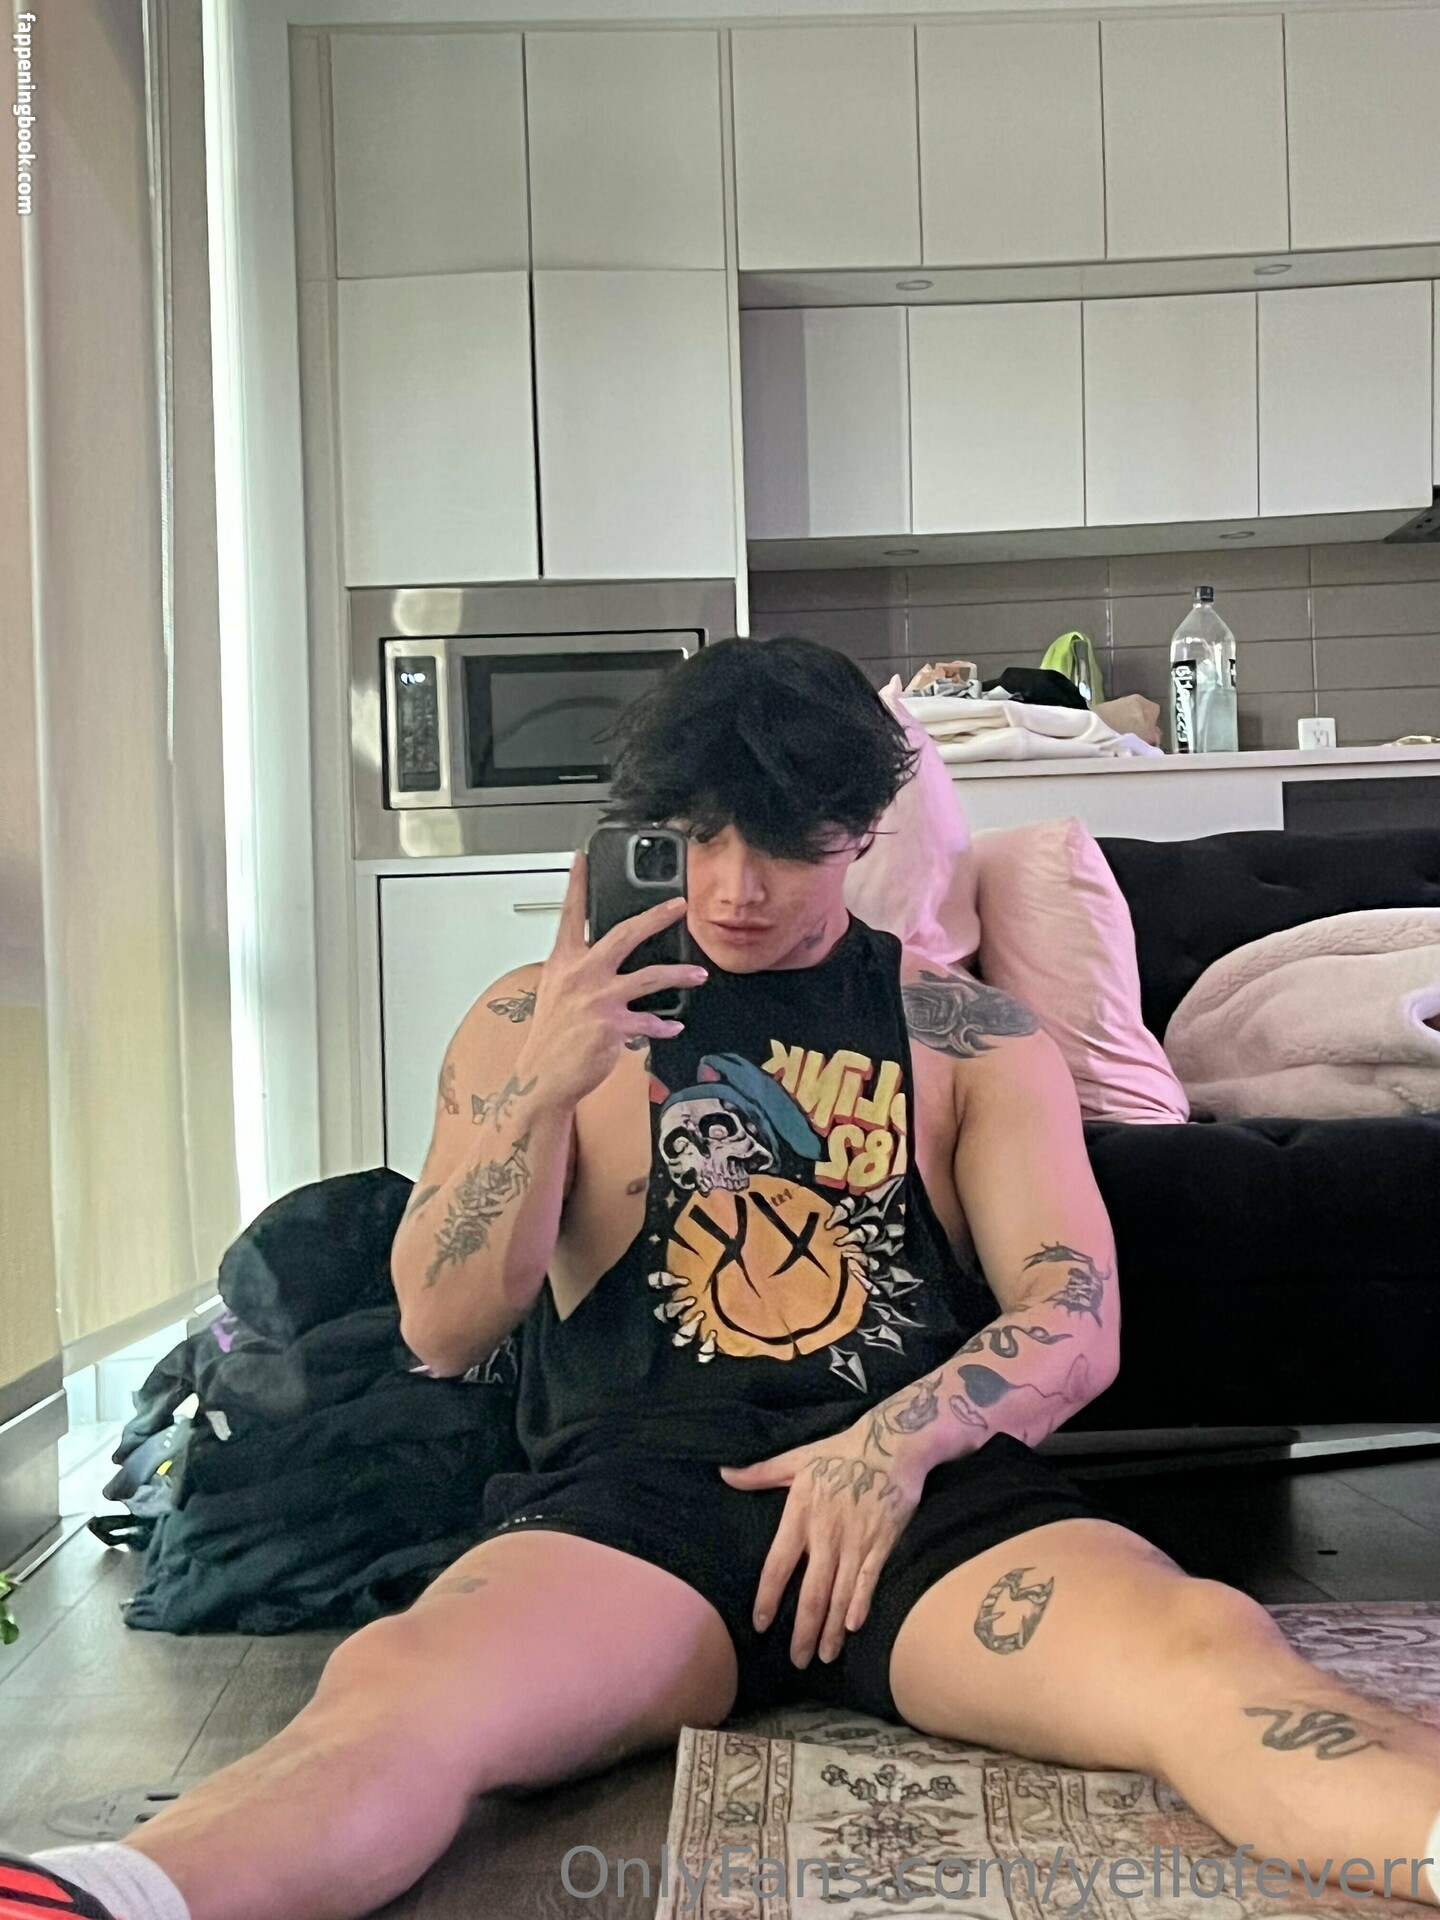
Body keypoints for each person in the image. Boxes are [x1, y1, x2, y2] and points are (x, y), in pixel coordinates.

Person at [7, 637, 1440, 1920]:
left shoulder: (969, 1033)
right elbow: (443, 1330)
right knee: (396, 1691)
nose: (737, 887)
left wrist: (893, 1445)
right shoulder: (528, 1022)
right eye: (698, 838)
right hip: (630, 1510)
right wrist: (538, 1095)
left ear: (862, 833)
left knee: (1207, 1651)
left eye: (789, 844)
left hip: (919, 1500)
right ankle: (112, 1898)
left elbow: (1075, 1312)